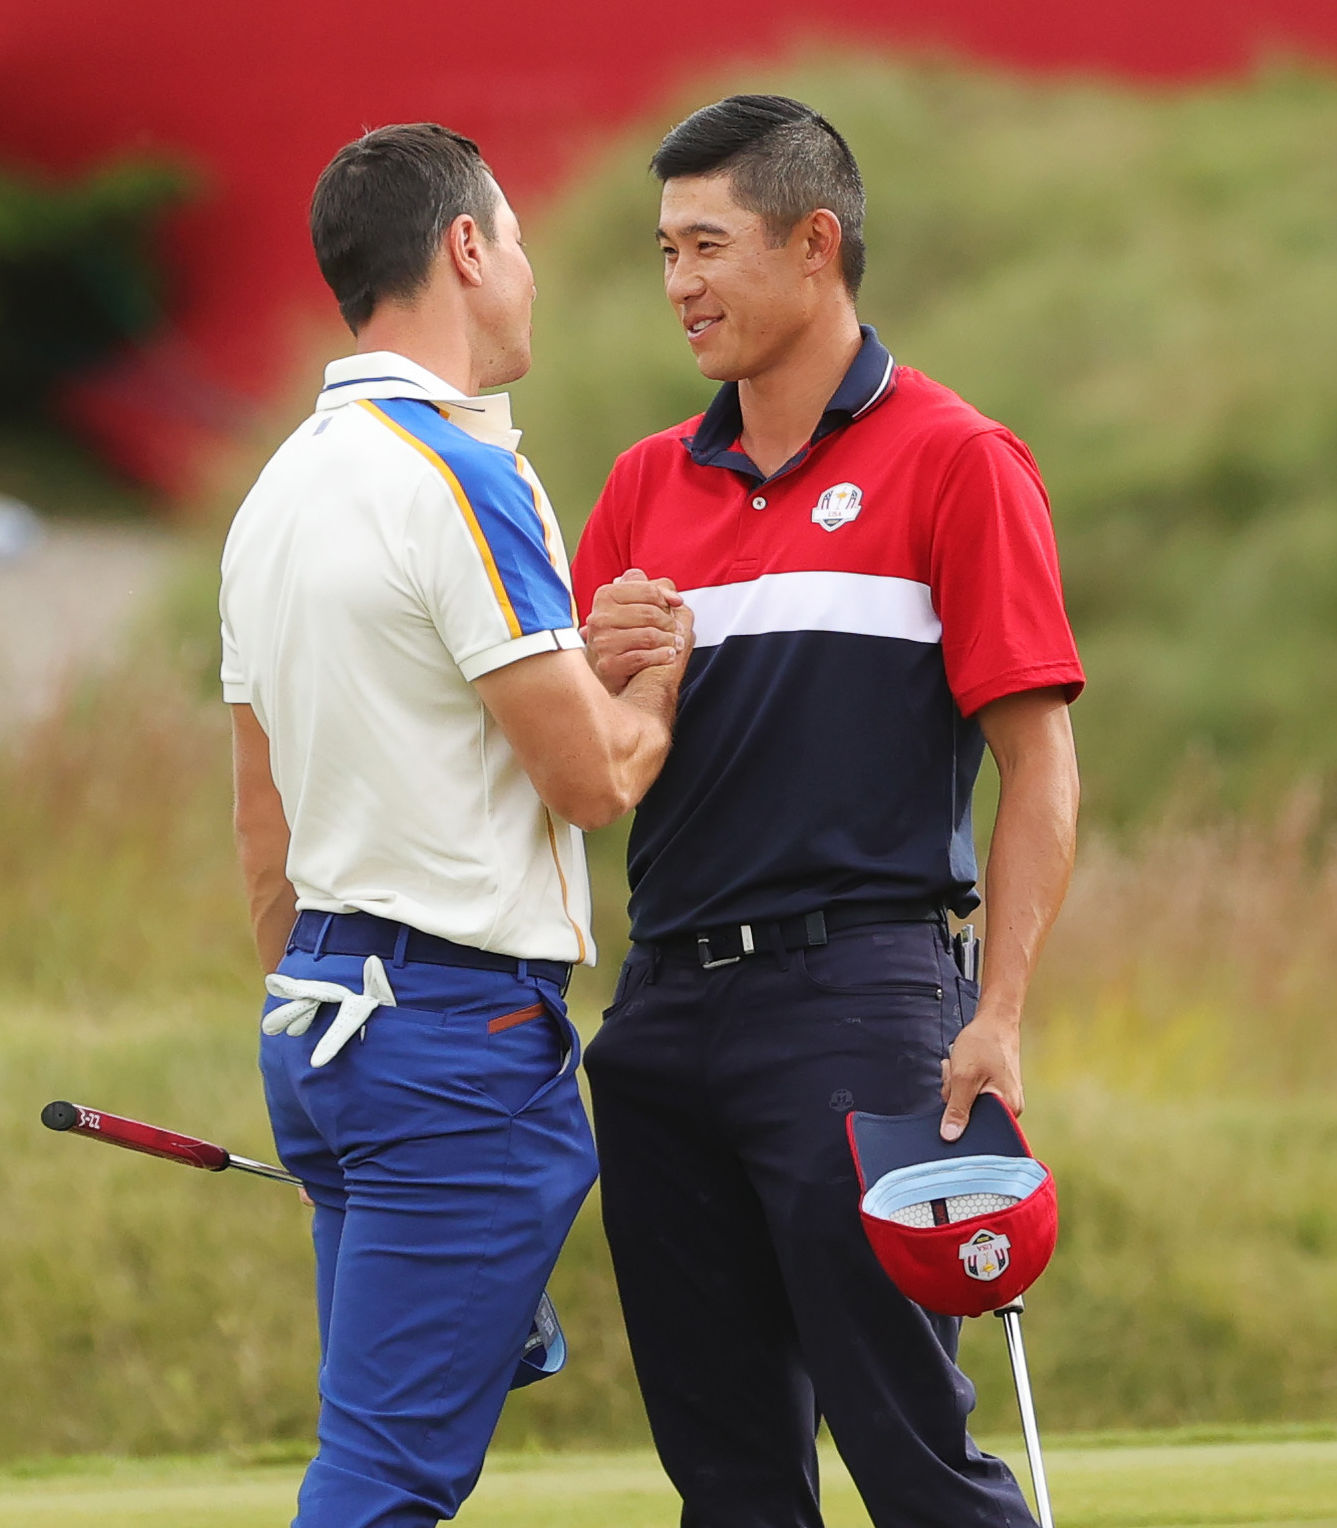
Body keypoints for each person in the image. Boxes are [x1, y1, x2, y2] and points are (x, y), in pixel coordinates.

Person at [573, 95, 1084, 1528]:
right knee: (726, 1481)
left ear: (815, 244)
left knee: (911, 1457)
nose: (677, 283)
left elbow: (1039, 766)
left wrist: (997, 1012)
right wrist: (613, 680)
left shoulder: (956, 458)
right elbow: (587, 772)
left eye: (706, 246)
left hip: (859, 1004)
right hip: (664, 1014)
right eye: (662, 250)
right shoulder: (636, 488)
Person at [219, 123, 691, 1528]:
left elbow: (264, 825)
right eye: (521, 241)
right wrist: (653, 675)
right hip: (452, 1041)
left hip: (322, 1023)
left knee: (385, 1436)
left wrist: (325, 1075)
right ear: (467, 249)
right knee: (386, 1479)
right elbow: (592, 781)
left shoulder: (275, 493)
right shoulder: (461, 471)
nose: (532, 273)